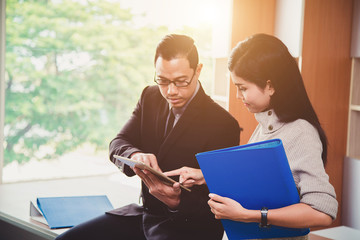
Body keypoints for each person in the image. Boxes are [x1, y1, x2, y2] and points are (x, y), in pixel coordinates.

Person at [55, 34, 240, 240]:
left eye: (180, 81)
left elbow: (220, 203)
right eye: (162, 80)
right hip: (144, 216)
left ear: (198, 70)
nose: (171, 91)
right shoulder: (150, 97)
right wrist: (134, 154)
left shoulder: (223, 124)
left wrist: (177, 202)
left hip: (187, 229)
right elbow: (118, 143)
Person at [166, 34, 338, 239]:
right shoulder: (266, 125)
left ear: (270, 85)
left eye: (243, 88)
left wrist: (250, 216)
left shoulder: (300, 132)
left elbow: (323, 211)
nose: (238, 96)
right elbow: (261, 182)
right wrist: (206, 176)